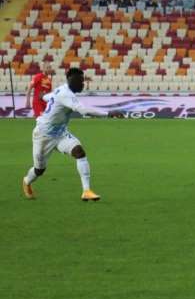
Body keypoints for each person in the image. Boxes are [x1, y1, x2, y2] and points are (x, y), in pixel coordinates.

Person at [22, 68, 124, 201]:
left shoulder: (62, 89)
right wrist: (108, 113)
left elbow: (50, 96)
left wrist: (42, 96)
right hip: (43, 135)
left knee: (79, 152)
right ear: (72, 81)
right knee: (39, 170)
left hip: (60, 133)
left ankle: (86, 191)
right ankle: (26, 181)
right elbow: (83, 110)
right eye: (80, 81)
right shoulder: (66, 94)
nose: (83, 84)